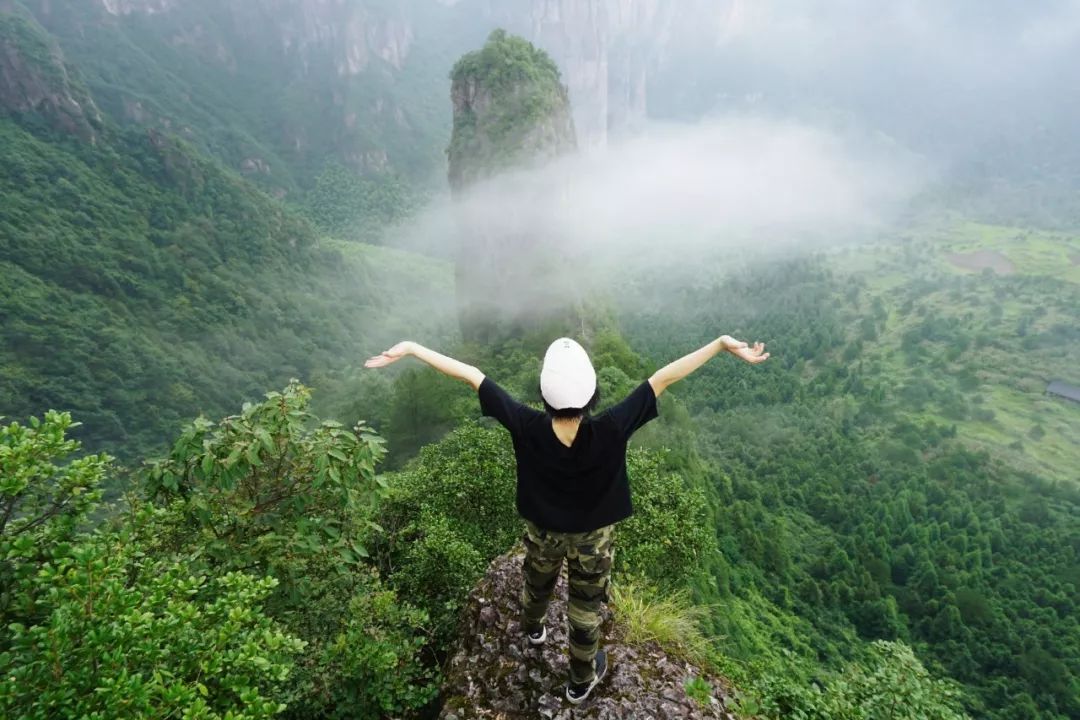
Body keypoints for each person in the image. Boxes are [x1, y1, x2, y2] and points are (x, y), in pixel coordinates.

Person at [365, 335, 769, 703]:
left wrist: (414, 349)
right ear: (592, 392)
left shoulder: (526, 425)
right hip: (592, 538)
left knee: (537, 576)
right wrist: (719, 346)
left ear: (544, 393)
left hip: (543, 530)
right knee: (586, 603)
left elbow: (472, 376)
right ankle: (579, 681)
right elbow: (663, 378)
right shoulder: (612, 428)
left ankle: (534, 626)